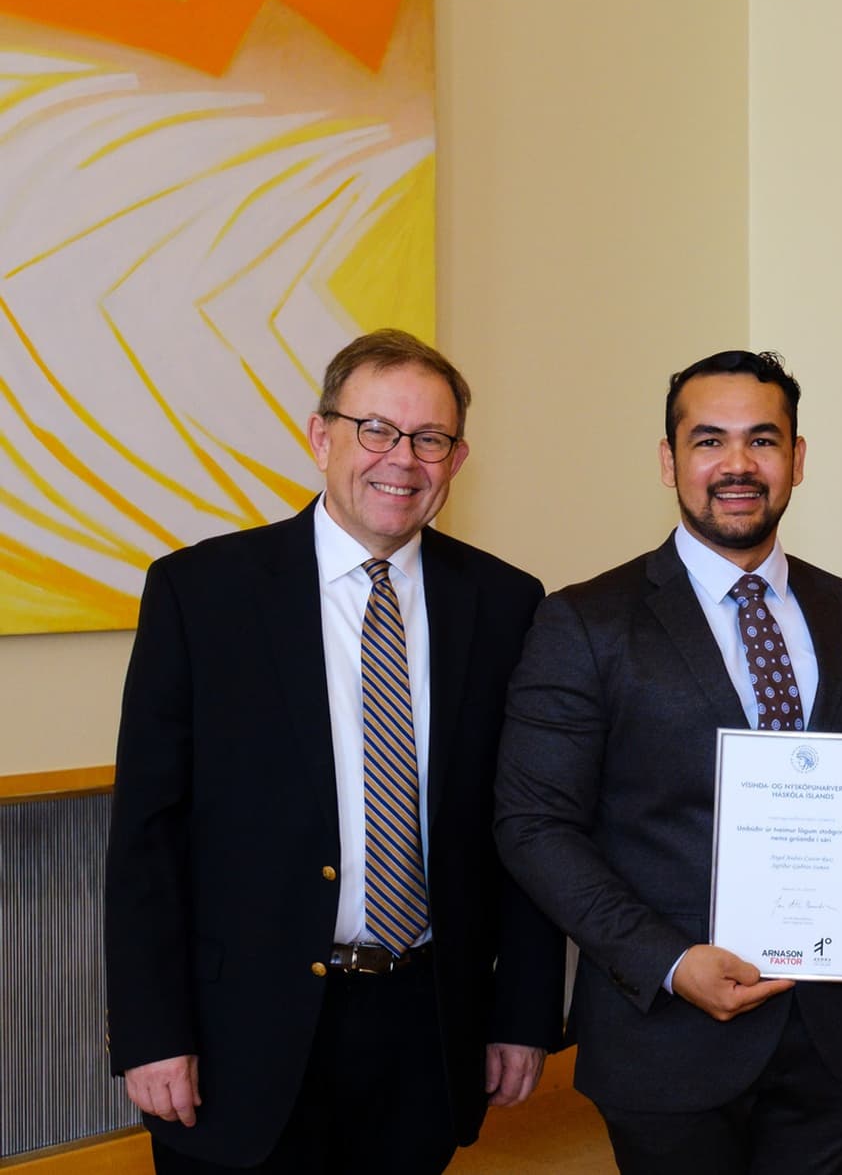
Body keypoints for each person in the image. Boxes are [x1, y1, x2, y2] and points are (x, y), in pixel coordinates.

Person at [104, 330, 565, 1173]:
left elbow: (523, 824)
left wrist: (523, 1010)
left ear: (457, 458)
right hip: (238, 1032)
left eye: (430, 439)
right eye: (376, 429)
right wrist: (150, 1030)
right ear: (321, 437)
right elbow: (146, 834)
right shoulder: (200, 593)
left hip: (423, 1024)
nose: (403, 459)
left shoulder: (506, 603)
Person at [494, 349, 842, 1175]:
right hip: (667, 1037)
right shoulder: (584, 621)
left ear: (797, 459)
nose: (737, 465)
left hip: (835, 1046)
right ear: (669, 461)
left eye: (762, 441)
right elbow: (533, 827)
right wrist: (667, 959)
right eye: (709, 441)